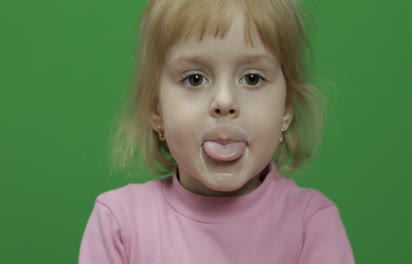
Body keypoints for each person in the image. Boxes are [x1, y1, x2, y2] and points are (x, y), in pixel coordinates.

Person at [79, 0, 355, 263]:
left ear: (286, 109)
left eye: (252, 78)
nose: (224, 101)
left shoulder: (311, 225)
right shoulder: (119, 225)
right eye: (195, 79)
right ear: (157, 109)